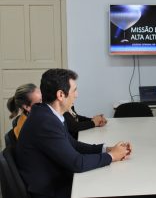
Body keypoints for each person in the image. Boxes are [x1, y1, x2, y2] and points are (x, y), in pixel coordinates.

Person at [15, 69, 132, 198]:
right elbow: (77, 163)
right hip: (50, 190)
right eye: (74, 90)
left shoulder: (48, 113)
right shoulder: (45, 122)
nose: (76, 95)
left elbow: (73, 145)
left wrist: (106, 149)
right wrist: (112, 156)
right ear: (60, 95)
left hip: (56, 179)